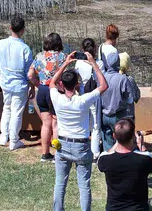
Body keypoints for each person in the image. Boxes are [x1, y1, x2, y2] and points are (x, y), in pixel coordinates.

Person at [51, 50, 108, 211]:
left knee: (60, 182)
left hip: (62, 144)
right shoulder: (83, 100)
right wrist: (94, 64)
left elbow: (51, 83)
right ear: (77, 84)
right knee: (84, 185)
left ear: (62, 85)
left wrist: (66, 63)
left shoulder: (57, 98)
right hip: (81, 146)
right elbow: (104, 86)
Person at [0, 15, 33, 151]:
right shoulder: (25, 48)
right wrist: (32, 84)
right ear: (23, 30)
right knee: (16, 112)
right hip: (19, 84)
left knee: (7, 108)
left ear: (10, 28)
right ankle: (14, 140)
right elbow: (29, 71)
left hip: (5, 83)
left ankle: (4, 136)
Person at [97, 118, 152, 211]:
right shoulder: (144, 159)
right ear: (133, 136)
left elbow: (106, 156)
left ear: (114, 136)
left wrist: (118, 141)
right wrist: (142, 145)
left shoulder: (105, 159)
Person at [29, 32, 68, 163]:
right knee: (56, 124)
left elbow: (30, 75)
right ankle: (57, 153)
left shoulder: (39, 56)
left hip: (42, 90)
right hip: (55, 90)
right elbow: (67, 75)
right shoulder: (62, 57)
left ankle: (45, 154)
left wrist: (38, 85)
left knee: (45, 124)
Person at [75, 38, 102, 158]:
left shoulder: (78, 63)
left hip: (83, 93)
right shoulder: (99, 63)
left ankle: (84, 148)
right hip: (95, 94)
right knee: (96, 124)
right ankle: (95, 152)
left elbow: (76, 78)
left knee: (85, 122)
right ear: (95, 49)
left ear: (83, 50)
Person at [101, 52, 133, 151]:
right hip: (118, 116)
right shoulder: (122, 79)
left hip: (104, 115)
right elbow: (130, 98)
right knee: (121, 143)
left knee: (107, 141)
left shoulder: (102, 77)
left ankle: (108, 159)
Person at [118, 52, 141, 121]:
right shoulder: (129, 79)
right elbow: (136, 97)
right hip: (127, 116)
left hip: (113, 115)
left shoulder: (109, 77)